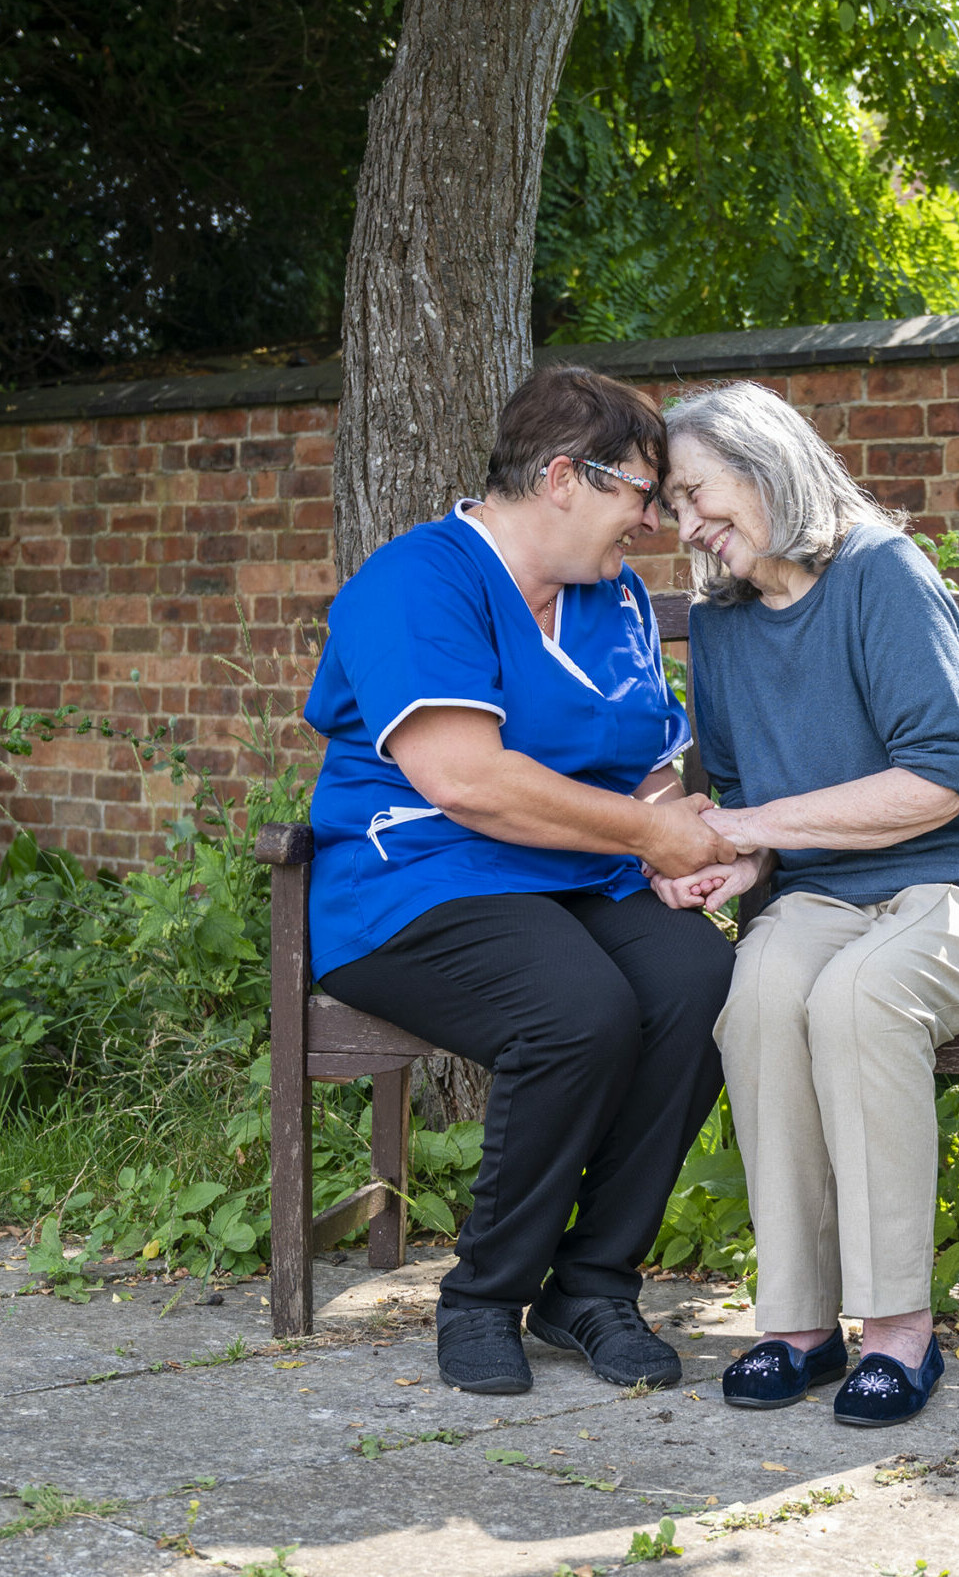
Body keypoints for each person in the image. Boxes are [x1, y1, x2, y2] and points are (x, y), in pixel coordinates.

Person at [304, 365, 739, 1397]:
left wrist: (669, 835)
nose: (650, 522)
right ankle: (484, 1296)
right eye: (639, 492)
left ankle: (591, 1285)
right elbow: (462, 777)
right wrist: (646, 832)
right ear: (561, 477)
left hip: (574, 876)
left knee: (699, 987)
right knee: (576, 1009)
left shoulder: (612, 595)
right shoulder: (415, 581)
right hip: (414, 875)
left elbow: (643, 749)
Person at [650, 382, 959, 1429]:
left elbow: (940, 780)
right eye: (670, 504)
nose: (686, 522)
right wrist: (733, 864)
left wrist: (746, 832)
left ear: (765, 464)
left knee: (860, 996)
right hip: (827, 893)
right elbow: (757, 804)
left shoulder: (882, 571)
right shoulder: (722, 620)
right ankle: (796, 1324)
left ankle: (896, 1328)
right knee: (756, 990)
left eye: (698, 491)